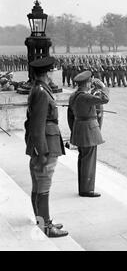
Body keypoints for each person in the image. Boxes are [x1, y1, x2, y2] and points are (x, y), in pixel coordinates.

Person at [24, 56, 68, 238]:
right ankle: (46, 226)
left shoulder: (39, 89)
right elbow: (38, 125)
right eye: (52, 71)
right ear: (48, 73)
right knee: (43, 184)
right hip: (46, 145)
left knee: (39, 184)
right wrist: (41, 152)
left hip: (45, 143)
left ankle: (41, 220)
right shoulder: (42, 92)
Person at [67, 71, 109, 197]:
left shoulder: (74, 95)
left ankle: (84, 187)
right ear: (87, 83)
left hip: (79, 129)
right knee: (88, 161)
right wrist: (102, 87)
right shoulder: (84, 97)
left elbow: (72, 115)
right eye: (90, 82)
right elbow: (105, 99)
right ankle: (87, 190)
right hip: (88, 131)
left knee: (83, 160)